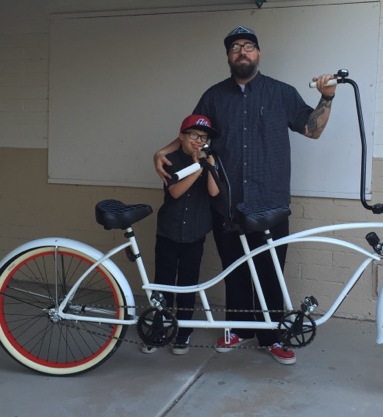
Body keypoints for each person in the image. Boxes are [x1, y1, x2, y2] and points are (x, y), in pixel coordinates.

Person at [153, 25, 336, 365]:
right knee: (234, 269)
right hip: (227, 202)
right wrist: (161, 152)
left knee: (270, 271)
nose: (242, 51)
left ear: (258, 53)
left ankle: (272, 336)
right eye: (235, 47)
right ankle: (239, 328)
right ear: (228, 56)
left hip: (271, 203)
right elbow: (192, 135)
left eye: (248, 46)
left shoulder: (281, 93)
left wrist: (326, 97)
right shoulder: (213, 97)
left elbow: (312, 130)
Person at [142, 114, 220, 355]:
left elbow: (214, 192)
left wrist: (209, 166)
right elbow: (175, 191)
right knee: (163, 283)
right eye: (194, 135)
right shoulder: (170, 160)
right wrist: (197, 168)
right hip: (169, 231)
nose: (198, 140)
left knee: (188, 284)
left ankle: (184, 330)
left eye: (203, 137)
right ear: (181, 136)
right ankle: (159, 326)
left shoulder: (210, 160)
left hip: (195, 234)